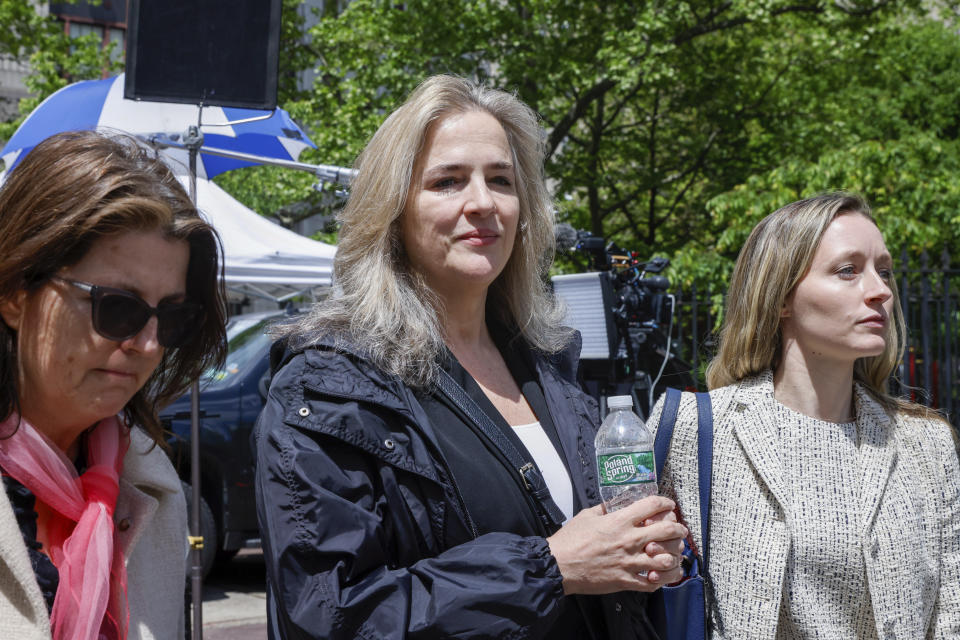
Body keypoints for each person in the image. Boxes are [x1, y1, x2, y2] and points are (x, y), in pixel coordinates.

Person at [254, 75, 688, 640]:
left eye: (501, 180)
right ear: (394, 211)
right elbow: (329, 614)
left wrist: (645, 556)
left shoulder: (550, 366)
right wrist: (550, 568)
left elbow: (595, 560)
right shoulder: (326, 387)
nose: (481, 202)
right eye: (447, 181)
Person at [649, 193, 960, 639]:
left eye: (884, 270)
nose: (881, 291)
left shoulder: (926, 445)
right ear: (781, 298)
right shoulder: (696, 430)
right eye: (848, 270)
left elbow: (951, 616)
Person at [0, 130, 227, 640]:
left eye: (170, 318)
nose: (149, 345)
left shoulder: (153, 485)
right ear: (15, 292)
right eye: (117, 307)